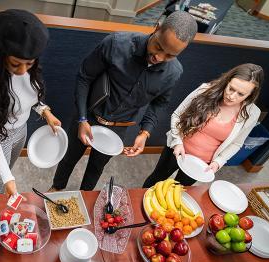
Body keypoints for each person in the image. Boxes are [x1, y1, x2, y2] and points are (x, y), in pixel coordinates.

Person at [48, 11, 198, 192]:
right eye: (159, 47)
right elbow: (84, 77)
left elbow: (159, 103)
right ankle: (56, 188)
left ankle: (84, 197)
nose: (159, 57)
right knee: (69, 158)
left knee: (96, 168)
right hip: (88, 115)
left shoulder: (174, 73)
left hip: (118, 127)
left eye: (169, 55)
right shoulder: (116, 44)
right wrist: (82, 119)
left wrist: (145, 133)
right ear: (157, 27)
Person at [0, 9, 61, 197]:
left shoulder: (28, 69)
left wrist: (45, 111)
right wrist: (7, 177)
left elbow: (29, 97)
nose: (23, 71)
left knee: (7, 171)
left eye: (29, 63)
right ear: (1, 54)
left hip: (21, 131)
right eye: (15, 64)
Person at [143, 63, 264, 187]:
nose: (231, 96)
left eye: (240, 94)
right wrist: (177, 142)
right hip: (176, 149)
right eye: (231, 88)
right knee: (156, 179)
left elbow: (237, 143)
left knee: (180, 189)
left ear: (250, 95)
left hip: (201, 164)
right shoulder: (205, 90)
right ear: (227, 81)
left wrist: (219, 161)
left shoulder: (252, 113)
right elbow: (177, 115)